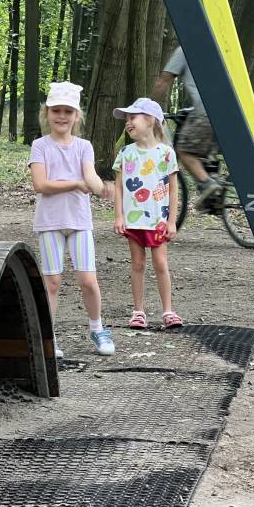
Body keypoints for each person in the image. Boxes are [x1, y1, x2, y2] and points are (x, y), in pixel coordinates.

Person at [29, 81, 115, 358]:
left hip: (79, 222)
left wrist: (102, 188)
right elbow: (41, 184)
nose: (62, 116)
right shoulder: (40, 146)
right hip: (50, 223)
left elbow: (90, 175)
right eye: (56, 111)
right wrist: (76, 184)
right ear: (47, 113)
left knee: (88, 280)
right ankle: (49, 337)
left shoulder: (84, 146)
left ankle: (97, 328)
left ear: (77, 116)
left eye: (68, 111)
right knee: (52, 282)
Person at [112, 97, 183, 331]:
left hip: (158, 221)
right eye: (126, 119)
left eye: (133, 117)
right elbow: (119, 188)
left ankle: (168, 311)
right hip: (134, 220)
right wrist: (119, 216)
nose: (128, 122)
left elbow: (173, 190)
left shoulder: (166, 154)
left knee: (161, 264)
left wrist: (172, 221)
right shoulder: (125, 153)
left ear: (151, 120)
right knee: (137, 264)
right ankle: (138, 312)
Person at [151, 46, 221, 210]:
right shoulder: (217, 47)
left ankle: (208, 184)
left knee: (184, 152)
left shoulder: (185, 49)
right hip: (228, 110)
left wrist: (148, 106)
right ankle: (215, 197)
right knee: (205, 153)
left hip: (205, 109)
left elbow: (164, 81)